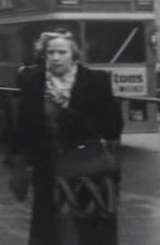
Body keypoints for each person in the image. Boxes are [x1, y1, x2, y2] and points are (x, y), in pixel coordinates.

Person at [11, 30, 123, 245]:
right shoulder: (33, 83)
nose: (55, 58)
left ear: (74, 55)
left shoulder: (97, 81)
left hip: (88, 169)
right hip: (48, 168)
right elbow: (23, 128)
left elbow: (112, 128)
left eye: (62, 52)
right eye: (50, 52)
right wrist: (19, 163)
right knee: (50, 229)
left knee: (89, 229)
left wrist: (65, 110)